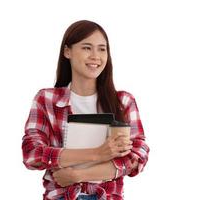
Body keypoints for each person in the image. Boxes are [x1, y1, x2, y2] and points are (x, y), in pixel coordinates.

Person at [22, 20, 150, 200]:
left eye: (102, 49)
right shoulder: (46, 99)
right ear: (67, 52)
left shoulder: (123, 101)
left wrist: (77, 175)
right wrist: (98, 153)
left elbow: (136, 157)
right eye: (87, 48)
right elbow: (32, 154)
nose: (95, 56)